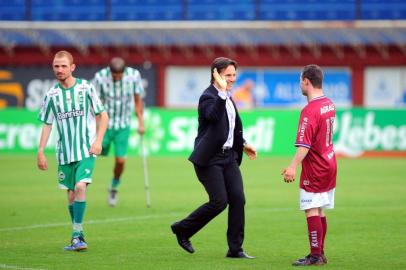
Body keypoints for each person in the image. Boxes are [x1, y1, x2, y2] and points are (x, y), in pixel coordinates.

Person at [170, 57, 257, 259]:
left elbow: (229, 127)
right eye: (228, 75)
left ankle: (235, 249)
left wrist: (243, 145)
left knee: (238, 199)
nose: (233, 79)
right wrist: (220, 91)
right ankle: (183, 229)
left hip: (229, 158)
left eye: (234, 74)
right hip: (209, 159)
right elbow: (213, 117)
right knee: (219, 202)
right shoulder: (209, 97)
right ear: (216, 75)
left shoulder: (227, 96)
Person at [37, 50, 109, 251]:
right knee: (70, 195)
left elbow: (103, 116)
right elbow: (47, 124)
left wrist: (99, 141)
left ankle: (77, 236)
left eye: (63, 66)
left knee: (79, 187)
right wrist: (41, 150)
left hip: (86, 149)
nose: (59, 70)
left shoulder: (86, 88)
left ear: (72, 67)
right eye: (56, 66)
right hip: (64, 153)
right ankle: (78, 234)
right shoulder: (52, 95)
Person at [282, 64, 337, 266]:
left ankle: (315, 255)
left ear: (306, 81)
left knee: (311, 209)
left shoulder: (309, 110)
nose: (300, 84)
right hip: (329, 161)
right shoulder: (329, 104)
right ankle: (320, 253)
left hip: (316, 167)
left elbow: (304, 145)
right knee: (320, 209)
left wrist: (292, 166)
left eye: (300, 81)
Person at [93, 57, 145, 207]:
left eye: (120, 76)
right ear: (110, 72)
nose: (117, 79)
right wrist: (95, 126)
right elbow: (95, 102)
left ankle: (113, 188)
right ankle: (81, 184)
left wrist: (141, 123)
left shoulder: (133, 76)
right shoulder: (100, 77)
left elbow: (137, 100)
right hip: (104, 124)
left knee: (121, 160)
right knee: (93, 154)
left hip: (123, 124)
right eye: (114, 76)